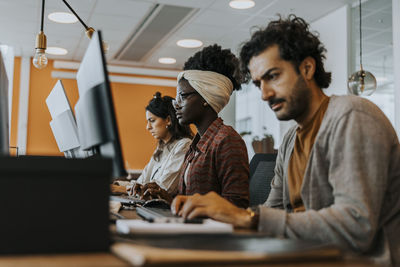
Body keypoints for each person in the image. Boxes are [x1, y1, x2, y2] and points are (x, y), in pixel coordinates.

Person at [171, 15, 400, 266]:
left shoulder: (352, 117)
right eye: (259, 84)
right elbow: (275, 212)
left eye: (273, 76)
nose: (265, 94)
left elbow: (355, 227)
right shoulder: (291, 138)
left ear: (307, 68)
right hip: (301, 254)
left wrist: (247, 217)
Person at [141, 44, 250, 208]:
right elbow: (188, 200)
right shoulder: (196, 145)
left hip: (212, 231)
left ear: (207, 98)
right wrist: (165, 197)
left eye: (183, 96)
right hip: (192, 225)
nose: (176, 104)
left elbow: (237, 205)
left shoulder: (227, 140)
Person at [112, 92, 193, 198]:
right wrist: (117, 185)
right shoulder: (161, 148)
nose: (148, 127)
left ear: (168, 120)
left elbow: (162, 188)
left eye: (152, 121)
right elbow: (141, 182)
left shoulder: (184, 145)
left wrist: (120, 189)